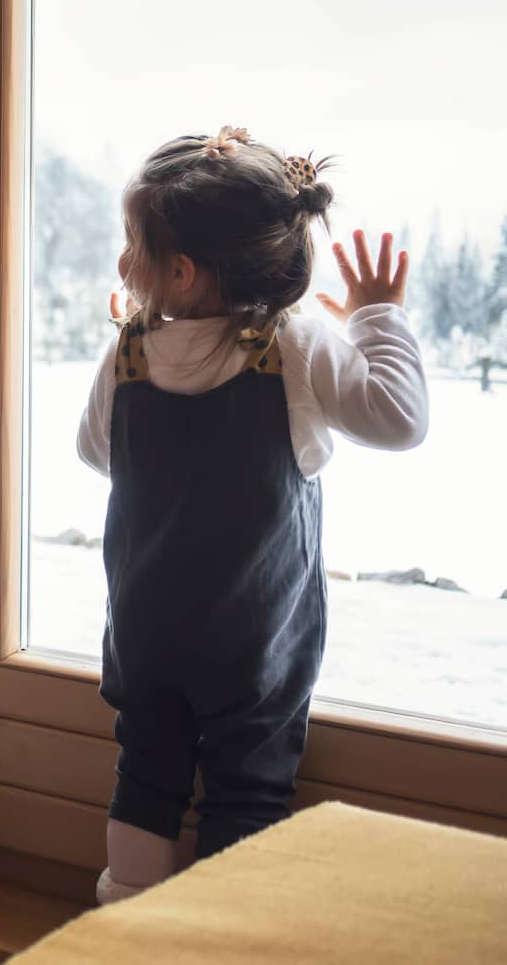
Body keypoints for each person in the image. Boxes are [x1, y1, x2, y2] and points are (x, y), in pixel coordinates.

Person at [78, 126, 428, 905]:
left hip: (146, 632)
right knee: (247, 787)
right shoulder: (293, 346)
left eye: (130, 246)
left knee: (146, 772)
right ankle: (226, 938)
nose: (121, 263)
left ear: (179, 272)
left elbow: (96, 453)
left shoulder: (129, 353)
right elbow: (399, 419)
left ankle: (125, 912)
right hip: (253, 642)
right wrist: (375, 317)